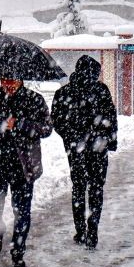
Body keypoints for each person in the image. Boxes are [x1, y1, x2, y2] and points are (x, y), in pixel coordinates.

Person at [0, 76, 53, 267]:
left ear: (20, 80)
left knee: (22, 210)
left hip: (23, 166)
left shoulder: (34, 100)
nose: (7, 85)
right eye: (3, 80)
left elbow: (47, 128)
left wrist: (20, 124)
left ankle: (18, 251)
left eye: (12, 81)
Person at [51, 55, 117, 249]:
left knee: (78, 188)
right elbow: (111, 118)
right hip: (98, 147)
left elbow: (56, 119)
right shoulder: (101, 90)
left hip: (76, 149)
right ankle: (93, 229)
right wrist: (110, 141)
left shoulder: (64, 93)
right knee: (96, 188)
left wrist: (70, 137)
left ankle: (80, 230)